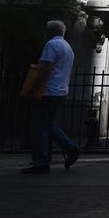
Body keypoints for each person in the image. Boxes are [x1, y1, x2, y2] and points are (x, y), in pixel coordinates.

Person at [21, 20, 81, 174]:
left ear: (49, 32)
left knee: (39, 126)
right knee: (49, 125)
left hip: (47, 92)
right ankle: (70, 149)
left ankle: (41, 162)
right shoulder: (68, 47)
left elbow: (44, 69)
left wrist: (33, 89)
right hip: (60, 92)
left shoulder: (51, 45)